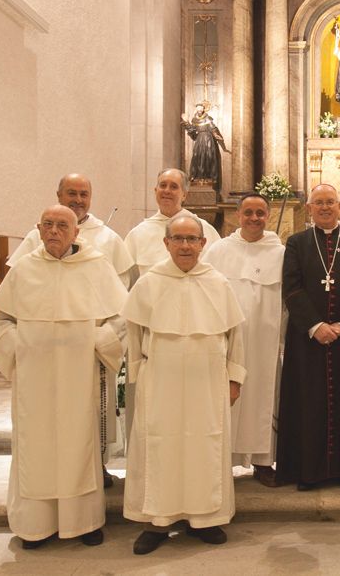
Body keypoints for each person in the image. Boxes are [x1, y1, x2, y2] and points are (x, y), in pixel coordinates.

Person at [0, 205, 127, 549]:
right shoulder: (24, 268)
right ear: (38, 228)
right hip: (33, 379)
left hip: (80, 377)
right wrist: (20, 345)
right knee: (35, 447)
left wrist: (96, 341)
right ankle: (36, 525)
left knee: (79, 444)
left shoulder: (95, 266)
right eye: (47, 224)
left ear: (76, 231)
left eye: (61, 225)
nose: (54, 231)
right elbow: (1, 317)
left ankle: (84, 522)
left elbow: (121, 317)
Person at [122, 216, 246, 555]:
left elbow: (235, 335)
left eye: (192, 239)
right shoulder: (149, 283)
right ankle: (157, 522)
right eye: (178, 239)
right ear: (166, 243)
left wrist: (234, 377)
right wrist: (137, 375)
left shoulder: (218, 283)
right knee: (159, 446)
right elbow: (134, 333)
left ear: (203, 244)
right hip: (160, 380)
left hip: (208, 383)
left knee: (205, 445)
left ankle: (205, 519)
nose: (186, 246)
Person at [7, 173, 133, 488]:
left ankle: (96, 470)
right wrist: (19, 346)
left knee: (87, 424)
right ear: (59, 194)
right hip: (40, 358)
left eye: (83, 194)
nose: (77, 199)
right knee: (40, 428)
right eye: (71, 193)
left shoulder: (108, 238)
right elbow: (15, 291)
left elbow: (121, 293)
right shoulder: (36, 236)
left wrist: (102, 338)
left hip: (83, 355)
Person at [276, 184, 340, 491]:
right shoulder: (296, 243)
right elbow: (291, 288)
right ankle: (309, 472)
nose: (324, 207)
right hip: (309, 340)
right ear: (309, 208)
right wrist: (315, 326)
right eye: (318, 203)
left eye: (330, 203)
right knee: (309, 402)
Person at [206, 193, 285, 487]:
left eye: (260, 213)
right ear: (238, 215)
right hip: (227, 339)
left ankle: (263, 462)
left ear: (267, 215)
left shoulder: (280, 252)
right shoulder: (218, 250)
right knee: (226, 400)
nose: (254, 218)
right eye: (248, 212)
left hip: (266, 341)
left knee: (264, 397)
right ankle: (222, 460)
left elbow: (287, 301)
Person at [124, 168, 220, 281]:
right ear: (155, 191)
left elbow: (217, 274)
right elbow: (129, 281)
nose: (167, 191)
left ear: (184, 195)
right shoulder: (138, 234)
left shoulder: (205, 230)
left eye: (174, 187)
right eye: (163, 185)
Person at [181, 101, 228, 188]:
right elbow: (192, 132)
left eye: (201, 108)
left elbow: (213, 128)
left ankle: (209, 177)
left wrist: (216, 135)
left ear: (203, 109)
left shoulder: (208, 118)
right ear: (196, 110)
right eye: (198, 108)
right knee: (197, 156)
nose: (199, 110)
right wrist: (186, 122)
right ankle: (196, 176)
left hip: (208, 139)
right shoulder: (194, 120)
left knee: (208, 156)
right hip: (199, 140)